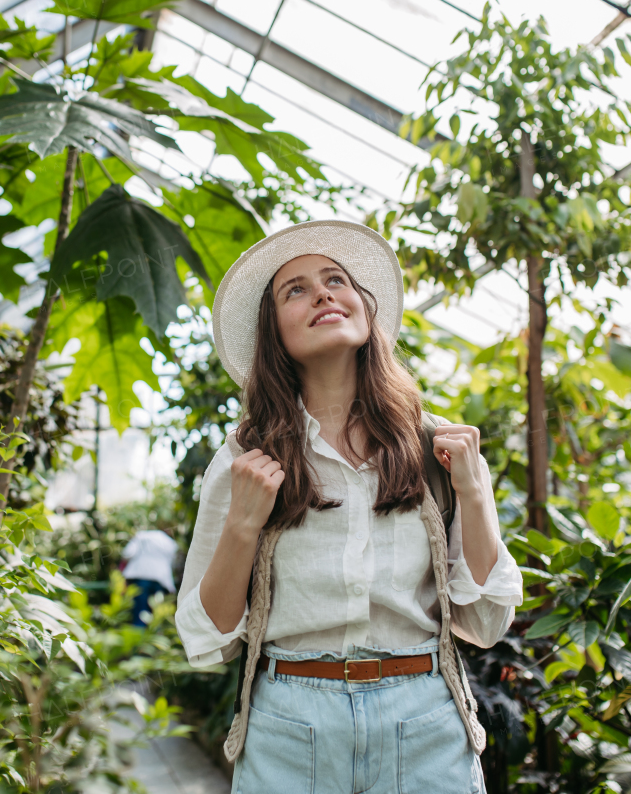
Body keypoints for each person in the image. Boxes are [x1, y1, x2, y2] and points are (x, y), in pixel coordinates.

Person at [175, 220, 523, 793]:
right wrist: (242, 524)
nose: (323, 294)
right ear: (274, 333)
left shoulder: (439, 447)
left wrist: (474, 492)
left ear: (364, 308)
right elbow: (210, 640)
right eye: (296, 289)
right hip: (288, 724)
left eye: (336, 279)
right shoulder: (245, 458)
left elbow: (484, 623)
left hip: (426, 722)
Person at [121, 528, 178, 626]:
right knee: (156, 613)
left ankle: (139, 638)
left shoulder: (142, 536)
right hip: (161, 581)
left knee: (140, 612)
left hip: (141, 578)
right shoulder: (170, 543)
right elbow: (174, 563)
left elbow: (127, 554)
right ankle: (153, 638)